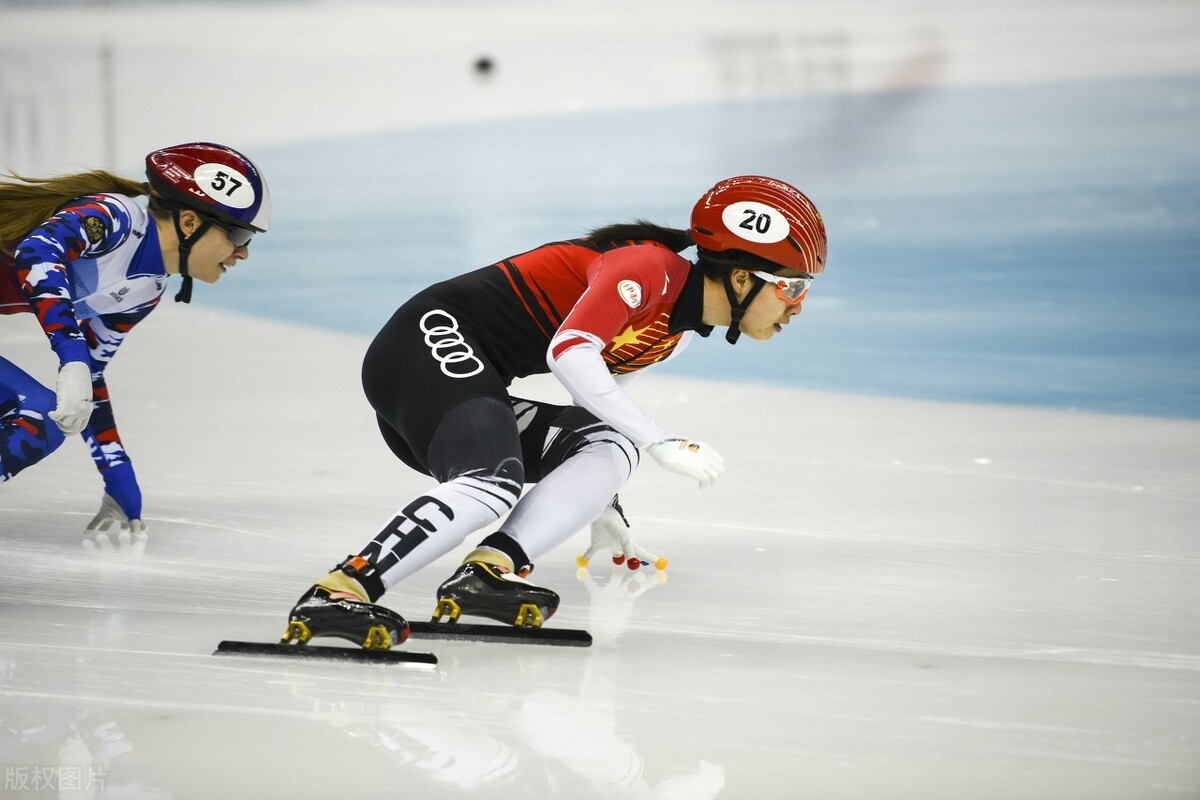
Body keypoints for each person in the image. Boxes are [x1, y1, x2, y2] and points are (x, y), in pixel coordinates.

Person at [284, 175, 826, 649]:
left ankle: (489, 571)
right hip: (423, 344)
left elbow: (595, 401)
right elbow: (569, 352)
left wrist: (598, 504)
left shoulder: (673, 335)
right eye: (791, 287)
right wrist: (663, 439)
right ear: (739, 277)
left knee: (610, 444)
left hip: (466, 384)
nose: (798, 305)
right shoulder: (647, 269)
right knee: (493, 481)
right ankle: (339, 591)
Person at [0, 142, 271, 544]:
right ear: (191, 223)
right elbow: (39, 252)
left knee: (40, 421)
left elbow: (90, 371)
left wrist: (115, 470)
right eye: (239, 234)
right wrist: (69, 354)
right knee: (37, 416)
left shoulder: (145, 290)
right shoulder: (116, 217)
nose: (244, 253)